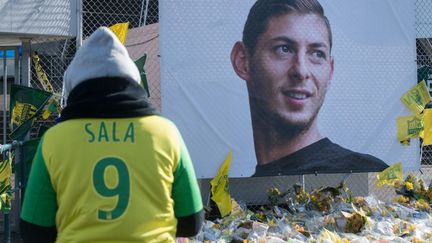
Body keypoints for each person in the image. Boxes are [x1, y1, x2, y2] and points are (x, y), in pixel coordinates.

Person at [20, 27, 204, 242]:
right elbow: (192, 222)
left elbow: (34, 230)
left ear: (74, 86)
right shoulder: (165, 133)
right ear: (134, 81)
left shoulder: (55, 139)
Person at [230, 0, 389, 177]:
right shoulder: (233, 198)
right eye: (284, 49)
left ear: (330, 71)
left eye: (317, 53)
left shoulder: (370, 177)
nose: (301, 71)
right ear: (242, 61)